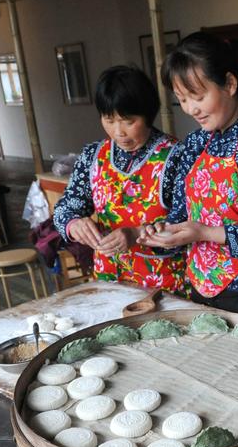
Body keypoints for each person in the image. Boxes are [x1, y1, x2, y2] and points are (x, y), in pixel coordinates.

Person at [138, 32, 238, 324]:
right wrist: (162, 234)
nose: (191, 109)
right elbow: (180, 216)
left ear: (230, 83)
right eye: (182, 99)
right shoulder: (192, 145)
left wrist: (206, 233)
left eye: (198, 97)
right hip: (199, 285)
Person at [53, 65, 187, 295]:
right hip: (109, 282)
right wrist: (73, 223)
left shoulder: (176, 156)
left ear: (148, 114)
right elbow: (65, 207)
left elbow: (188, 222)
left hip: (164, 286)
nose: (118, 132)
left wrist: (136, 233)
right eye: (109, 119)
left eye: (128, 120)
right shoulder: (93, 156)